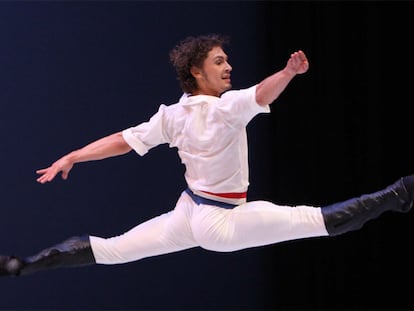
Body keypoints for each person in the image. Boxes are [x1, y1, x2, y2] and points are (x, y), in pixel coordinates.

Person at [1, 33, 413, 277]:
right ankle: (401, 194)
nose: (228, 66)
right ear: (197, 72)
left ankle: (20, 265)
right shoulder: (227, 107)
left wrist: (73, 155)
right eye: (219, 61)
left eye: (227, 59)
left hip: (190, 212)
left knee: (112, 250)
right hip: (222, 223)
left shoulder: (173, 114)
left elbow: (122, 141)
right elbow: (261, 94)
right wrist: (288, 73)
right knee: (317, 221)